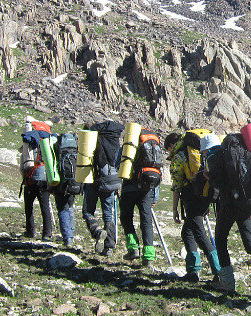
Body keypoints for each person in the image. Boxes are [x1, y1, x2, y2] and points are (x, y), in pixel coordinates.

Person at [207, 135, 251, 297]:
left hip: (230, 205)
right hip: (248, 203)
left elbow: (218, 183)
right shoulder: (249, 152)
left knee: (220, 239)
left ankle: (227, 282)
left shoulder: (218, 155)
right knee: (249, 241)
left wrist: (209, 177)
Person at [165, 131, 223, 287]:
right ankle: (193, 270)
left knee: (198, 233)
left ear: (172, 145)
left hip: (191, 197)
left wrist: (175, 209)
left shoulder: (180, 156)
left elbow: (177, 185)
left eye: (168, 149)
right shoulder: (197, 152)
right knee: (187, 232)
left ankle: (218, 272)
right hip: (203, 195)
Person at [120, 126, 161, 266]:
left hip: (128, 189)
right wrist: (155, 196)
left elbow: (118, 164)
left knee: (126, 218)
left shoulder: (128, 147)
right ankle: (149, 256)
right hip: (147, 189)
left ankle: (133, 248)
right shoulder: (153, 148)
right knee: (146, 221)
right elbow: (156, 171)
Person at [82, 120, 124, 256]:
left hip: (96, 180)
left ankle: (98, 231)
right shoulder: (114, 141)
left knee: (88, 211)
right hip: (113, 179)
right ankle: (109, 247)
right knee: (108, 213)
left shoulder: (94, 142)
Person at [20, 121, 54, 241]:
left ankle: (30, 231)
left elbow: (23, 164)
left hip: (31, 178)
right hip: (45, 177)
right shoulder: (47, 143)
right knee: (44, 206)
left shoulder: (28, 143)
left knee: (29, 206)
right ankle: (47, 233)